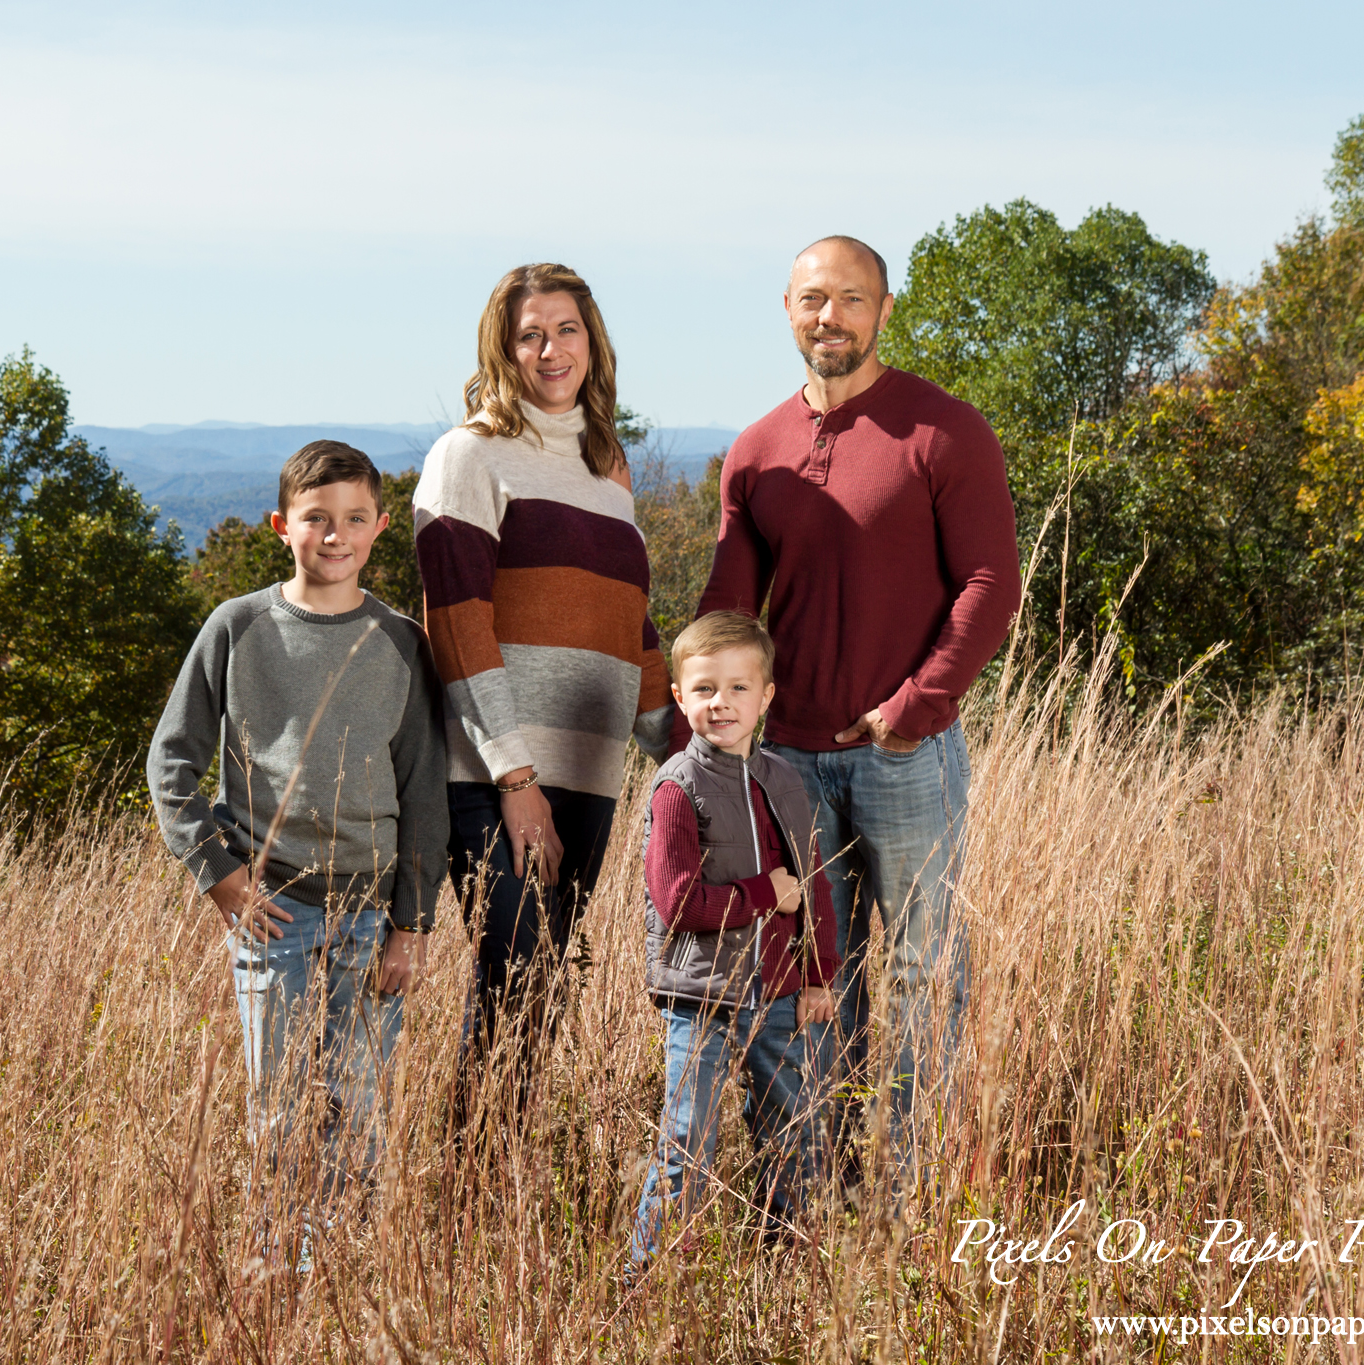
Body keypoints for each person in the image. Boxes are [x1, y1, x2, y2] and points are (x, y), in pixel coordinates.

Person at [688, 235, 1022, 1195]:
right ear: (786, 309)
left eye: (848, 299)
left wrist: (915, 706)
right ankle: (810, 1193)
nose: (827, 317)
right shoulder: (755, 451)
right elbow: (729, 609)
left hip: (903, 756)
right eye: (810, 299)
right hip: (788, 767)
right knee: (810, 987)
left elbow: (992, 581)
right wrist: (700, 739)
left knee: (921, 974)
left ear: (883, 310)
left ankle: (913, 1194)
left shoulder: (943, 430)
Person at [147, 440, 448, 1267]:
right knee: (277, 1103)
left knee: (355, 1102)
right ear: (284, 526)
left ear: (381, 528)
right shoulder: (238, 628)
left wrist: (413, 925)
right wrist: (221, 877)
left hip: (369, 913)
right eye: (317, 519)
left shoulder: (401, 642)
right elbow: (170, 761)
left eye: (355, 519)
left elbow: (425, 794)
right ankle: (275, 1259)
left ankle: (343, 1264)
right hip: (271, 909)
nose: (335, 534)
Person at [413, 262, 673, 1126]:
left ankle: (497, 1187)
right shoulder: (470, 455)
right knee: (515, 973)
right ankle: (471, 1196)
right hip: (498, 779)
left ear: (592, 342)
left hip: (590, 776)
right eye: (530, 334)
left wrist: (689, 752)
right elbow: (457, 623)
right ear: (504, 347)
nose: (550, 349)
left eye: (566, 330)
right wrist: (514, 779)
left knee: (540, 985)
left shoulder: (608, 469)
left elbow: (627, 628)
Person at [628, 611, 839, 1273]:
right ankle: (646, 1282)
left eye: (739, 687)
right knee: (687, 1142)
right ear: (680, 695)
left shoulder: (783, 780)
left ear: (767, 694)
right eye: (704, 688)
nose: (721, 702)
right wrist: (758, 893)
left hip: (779, 994)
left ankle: (782, 1276)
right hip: (702, 998)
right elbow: (680, 901)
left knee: (792, 1133)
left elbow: (812, 884)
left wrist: (818, 973)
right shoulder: (676, 787)